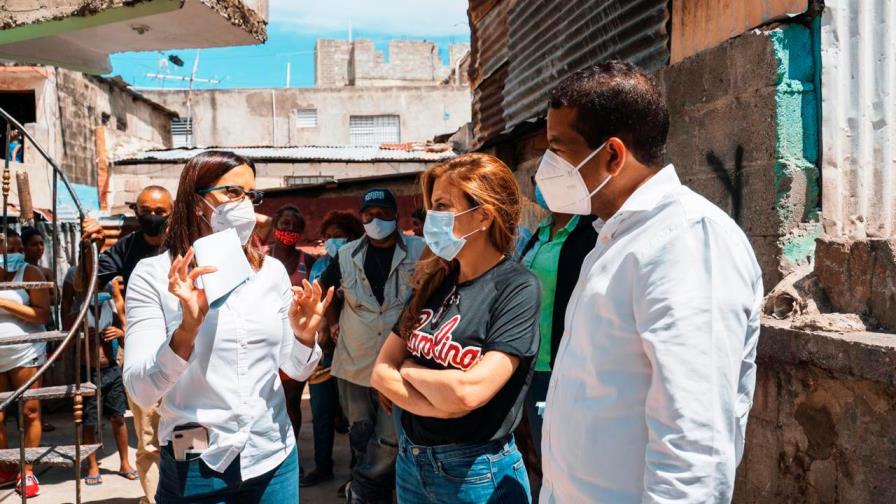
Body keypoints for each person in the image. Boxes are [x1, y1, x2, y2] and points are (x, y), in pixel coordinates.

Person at [535, 62, 763, 503]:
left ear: (613, 155)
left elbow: (693, 443)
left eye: (559, 151)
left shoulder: (687, 241)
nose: (548, 169)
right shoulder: (615, 238)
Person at [123, 150, 333, 503]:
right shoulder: (154, 276)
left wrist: (304, 335)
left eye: (251, 196)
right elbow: (141, 391)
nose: (245, 206)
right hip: (197, 462)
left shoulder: (271, 273)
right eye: (233, 193)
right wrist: (186, 331)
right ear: (195, 201)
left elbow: (295, 368)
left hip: (272, 456)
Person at [371, 153, 539, 503]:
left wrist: (409, 369)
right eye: (432, 206)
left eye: (443, 206)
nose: (432, 218)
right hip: (412, 461)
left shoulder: (516, 287)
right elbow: (381, 373)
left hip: (476, 473)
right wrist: (441, 402)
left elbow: (469, 393)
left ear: (482, 215)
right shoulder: (434, 279)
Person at [319, 188, 425, 504]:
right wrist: (334, 320)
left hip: (398, 361)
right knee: (360, 431)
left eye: (382, 213)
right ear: (361, 217)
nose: (375, 220)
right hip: (355, 357)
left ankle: (365, 485)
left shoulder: (421, 250)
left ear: (395, 215)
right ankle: (371, 491)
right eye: (368, 215)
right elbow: (327, 293)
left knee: (392, 434)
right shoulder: (347, 254)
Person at [79, 184, 173, 504]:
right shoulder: (126, 247)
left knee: (190, 433)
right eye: (146, 211)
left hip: (185, 349)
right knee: (149, 437)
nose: (153, 217)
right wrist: (88, 249)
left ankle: (189, 492)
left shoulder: (187, 244)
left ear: (173, 212)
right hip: (146, 351)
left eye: (160, 212)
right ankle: (155, 497)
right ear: (136, 213)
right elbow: (87, 285)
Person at [516, 182, 597, 496]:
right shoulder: (542, 231)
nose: (538, 188)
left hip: (558, 367)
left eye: (547, 181)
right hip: (524, 364)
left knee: (555, 462)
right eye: (536, 182)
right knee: (531, 458)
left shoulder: (590, 234)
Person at [301, 210, 363, 489]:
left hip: (352, 350)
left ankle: (356, 474)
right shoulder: (318, 266)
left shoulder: (358, 262)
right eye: (329, 237)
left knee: (354, 417)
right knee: (321, 412)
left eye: (339, 237)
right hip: (323, 352)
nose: (333, 242)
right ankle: (322, 466)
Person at [0, 230, 50, 497]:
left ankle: (27, 471)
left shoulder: (30, 273)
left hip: (25, 352)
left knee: (30, 411)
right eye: (10, 248)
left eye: (20, 247)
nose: (17, 253)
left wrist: (5, 302)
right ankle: (6, 468)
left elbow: (42, 313)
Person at [264, 204, 316, 456]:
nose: (290, 231)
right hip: (262, 340)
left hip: (294, 340)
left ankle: (289, 455)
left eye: (296, 227)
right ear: (275, 225)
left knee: (292, 400)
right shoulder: (257, 256)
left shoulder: (309, 261)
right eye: (285, 225)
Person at [81, 278, 137, 486]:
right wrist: (84, 336)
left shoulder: (111, 310)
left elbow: (126, 336)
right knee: (89, 421)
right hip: (88, 373)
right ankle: (93, 465)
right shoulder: (80, 312)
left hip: (111, 370)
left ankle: (124, 463)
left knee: (118, 417)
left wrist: (120, 333)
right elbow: (69, 340)